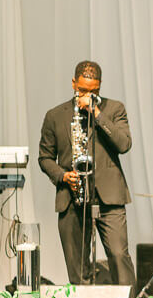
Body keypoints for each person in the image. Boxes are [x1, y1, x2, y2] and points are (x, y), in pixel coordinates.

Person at [38, 60, 135, 286]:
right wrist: (63, 176)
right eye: (82, 90)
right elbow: (44, 158)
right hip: (72, 197)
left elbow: (123, 144)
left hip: (108, 197)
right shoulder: (54, 115)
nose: (87, 96)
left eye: (94, 91)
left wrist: (98, 114)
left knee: (120, 257)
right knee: (77, 267)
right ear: (73, 83)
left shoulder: (115, 109)